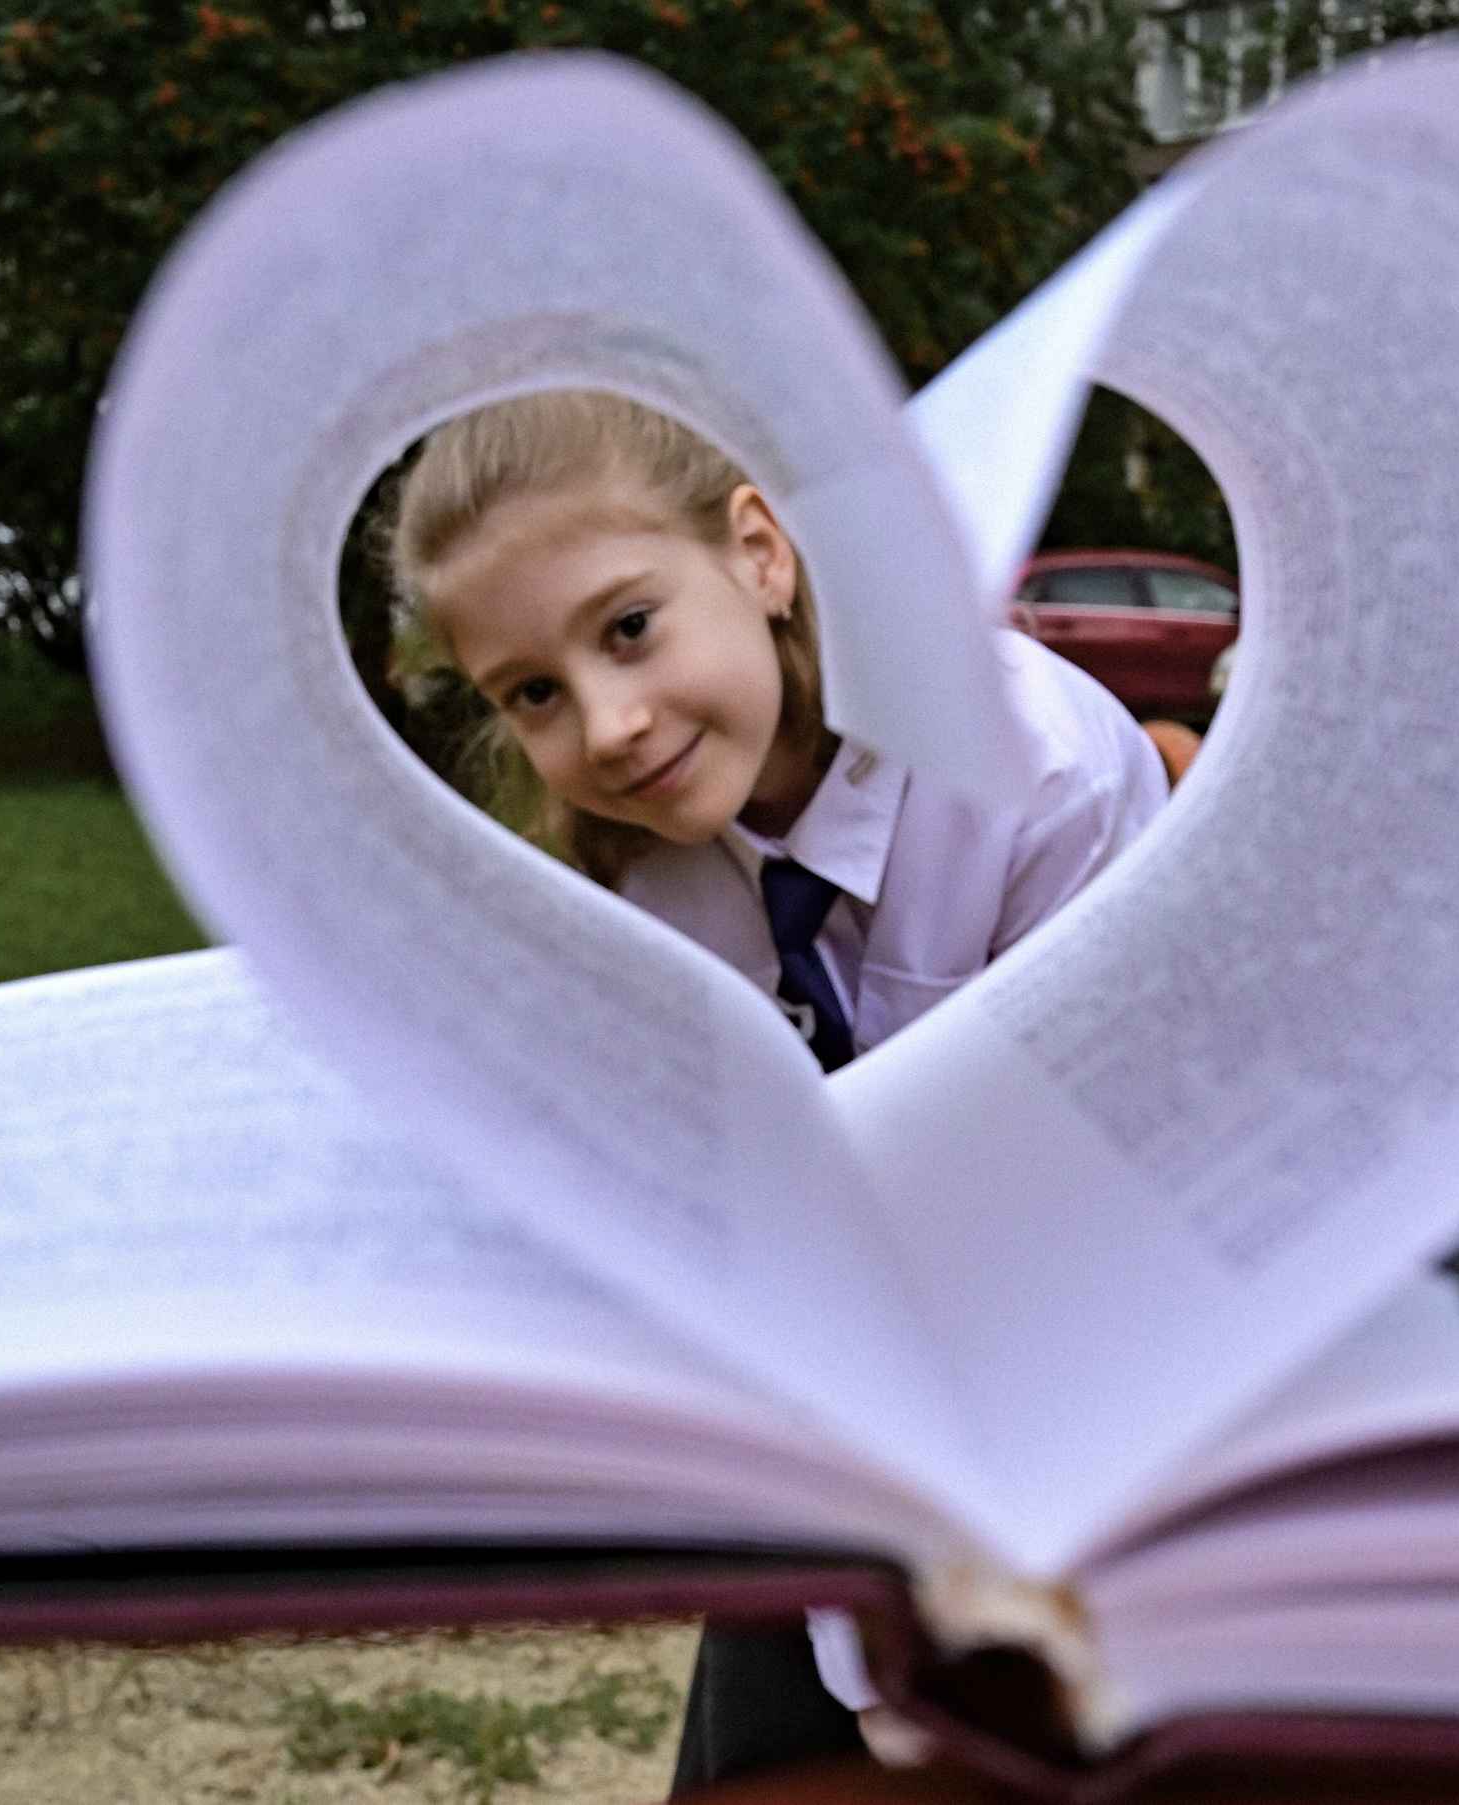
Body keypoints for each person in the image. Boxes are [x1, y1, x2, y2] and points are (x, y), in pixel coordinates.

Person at [387, 388, 1167, 1789]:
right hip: (822, 1456)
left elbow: (1083, 1215)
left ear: (759, 553)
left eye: (628, 626)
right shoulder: (639, 876)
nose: (611, 724)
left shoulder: (1037, 771)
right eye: (535, 693)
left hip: (1096, 1442)